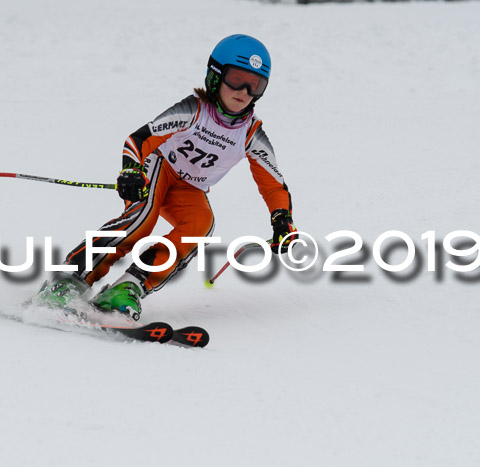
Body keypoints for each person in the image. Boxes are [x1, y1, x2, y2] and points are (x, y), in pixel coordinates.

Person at [39, 34, 297, 321]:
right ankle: (70, 278)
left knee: (200, 226)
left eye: (255, 85)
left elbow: (272, 181)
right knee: (143, 218)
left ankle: (129, 286)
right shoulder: (194, 109)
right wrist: (131, 169)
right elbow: (140, 139)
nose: (245, 91)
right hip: (159, 167)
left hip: (189, 188)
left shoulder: (251, 132)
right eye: (237, 79)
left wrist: (282, 218)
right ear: (215, 77)